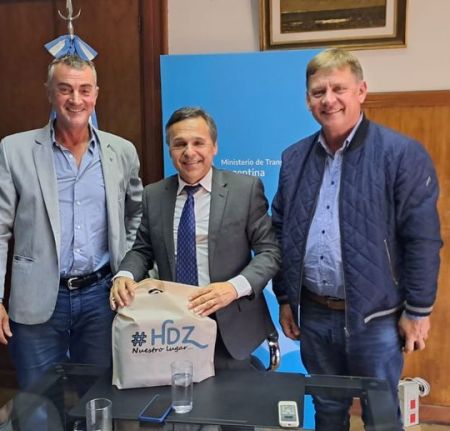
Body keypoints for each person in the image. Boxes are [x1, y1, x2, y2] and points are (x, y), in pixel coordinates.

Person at [271, 48, 441, 431]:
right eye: (318, 92)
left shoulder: (400, 154)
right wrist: (285, 297)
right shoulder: (294, 158)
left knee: (380, 415)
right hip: (314, 313)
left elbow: (422, 238)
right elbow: (280, 230)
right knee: (327, 409)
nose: (328, 99)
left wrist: (418, 310)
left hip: (376, 317)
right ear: (308, 100)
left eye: (339, 89)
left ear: (361, 91)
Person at [0, 55, 143, 390]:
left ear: (96, 94)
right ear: (50, 92)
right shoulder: (14, 150)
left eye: (84, 90)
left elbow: (137, 215)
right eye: (65, 89)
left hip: (101, 299)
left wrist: (127, 271)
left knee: (98, 401)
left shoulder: (122, 151)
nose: (76, 99)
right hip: (36, 299)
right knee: (38, 403)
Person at [110, 106, 280, 369]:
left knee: (232, 396)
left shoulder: (244, 190)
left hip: (231, 326)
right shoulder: (154, 195)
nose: (189, 152)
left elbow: (270, 252)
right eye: (179, 144)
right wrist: (124, 275)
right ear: (170, 150)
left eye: (198, 142)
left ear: (214, 146)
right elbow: (142, 250)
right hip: (172, 329)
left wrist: (233, 288)